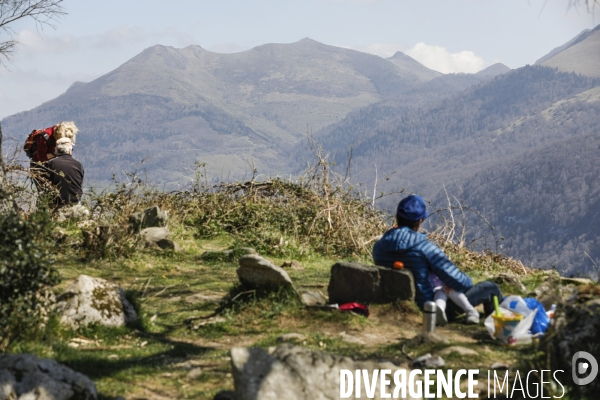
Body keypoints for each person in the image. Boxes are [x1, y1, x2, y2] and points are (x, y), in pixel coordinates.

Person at [372, 194, 503, 325]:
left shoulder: (379, 247)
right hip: (430, 309)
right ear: (420, 221)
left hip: (393, 302)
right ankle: (499, 323)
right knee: (491, 288)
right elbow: (461, 283)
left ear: (397, 217)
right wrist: (466, 281)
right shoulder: (426, 249)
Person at [46, 137, 84, 208]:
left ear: (57, 151)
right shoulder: (78, 165)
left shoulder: (51, 163)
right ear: (69, 151)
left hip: (57, 202)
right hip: (75, 202)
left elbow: (47, 183)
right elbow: (79, 183)